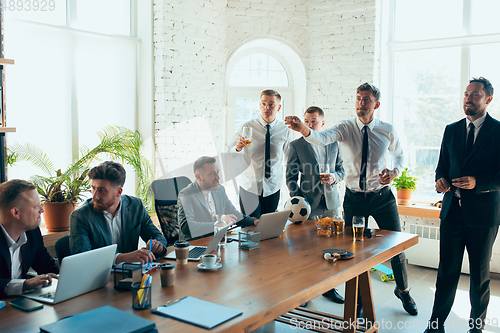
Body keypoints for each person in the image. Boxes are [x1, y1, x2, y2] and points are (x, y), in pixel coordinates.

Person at [285, 83, 417, 316]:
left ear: (376, 105)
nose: (361, 103)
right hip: (354, 199)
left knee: (397, 246)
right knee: (352, 251)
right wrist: (304, 129)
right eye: (358, 98)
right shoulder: (345, 128)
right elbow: (321, 138)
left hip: (382, 198)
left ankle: (403, 290)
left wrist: (394, 172)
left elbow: (399, 155)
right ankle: (358, 301)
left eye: (366, 99)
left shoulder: (387, 130)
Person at [424, 77, 500, 333]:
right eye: (466, 93)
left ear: (488, 99)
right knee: (446, 273)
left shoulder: (498, 131)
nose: (468, 98)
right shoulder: (452, 129)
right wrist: (440, 181)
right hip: (451, 213)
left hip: (483, 215)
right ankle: (435, 325)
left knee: (479, 277)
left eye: (475, 94)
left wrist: (477, 181)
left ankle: (476, 328)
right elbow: (441, 167)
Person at [286, 106, 345, 306]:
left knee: (331, 248)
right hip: (308, 205)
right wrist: (299, 201)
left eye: (313, 121)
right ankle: (304, 290)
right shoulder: (296, 145)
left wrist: (335, 177)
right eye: (307, 121)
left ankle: (329, 288)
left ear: (322, 123)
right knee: (306, 250)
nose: (309, 125)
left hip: (331, 204)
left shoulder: (334, 143)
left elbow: (342, 170)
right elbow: (291, 177)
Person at [69, 161, 167, 265]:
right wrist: (122, 258)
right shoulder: (80, 216)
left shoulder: (135, 206)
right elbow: (81, 258)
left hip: (132, 274)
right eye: (93, 188)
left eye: (102, 190)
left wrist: (158, 246)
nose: (95, 196)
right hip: (99, 277)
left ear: (119, 192)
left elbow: (157, 237)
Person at [226, 89, 292, 218]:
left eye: (271, 104)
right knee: (250, 229)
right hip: (249, 187)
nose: (267, 107)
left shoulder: (285, 130)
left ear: (278, 107)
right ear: (259, 105)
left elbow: (289, 159)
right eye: (263, 103)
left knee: (268, 230)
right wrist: (238, 148)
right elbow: (228, 151)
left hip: (273, 188)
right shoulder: (247, 127)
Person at [0, 179, 59, 297]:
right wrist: (24, 284)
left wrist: (65, 279)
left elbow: (46, 266)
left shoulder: (32, 232)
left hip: (20, 304)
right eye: (36, 206)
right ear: (16, 212)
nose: (42, 210)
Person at [178, 156, 258, 241]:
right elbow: (187, 227)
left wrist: (254, 221)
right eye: (212, 173)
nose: (218, 177)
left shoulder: (220, 189)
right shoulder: (186, 194)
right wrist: (221, 222)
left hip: (217, 240)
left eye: (217, 172)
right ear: (198, 177)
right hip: (195, 244)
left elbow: (234, 214)